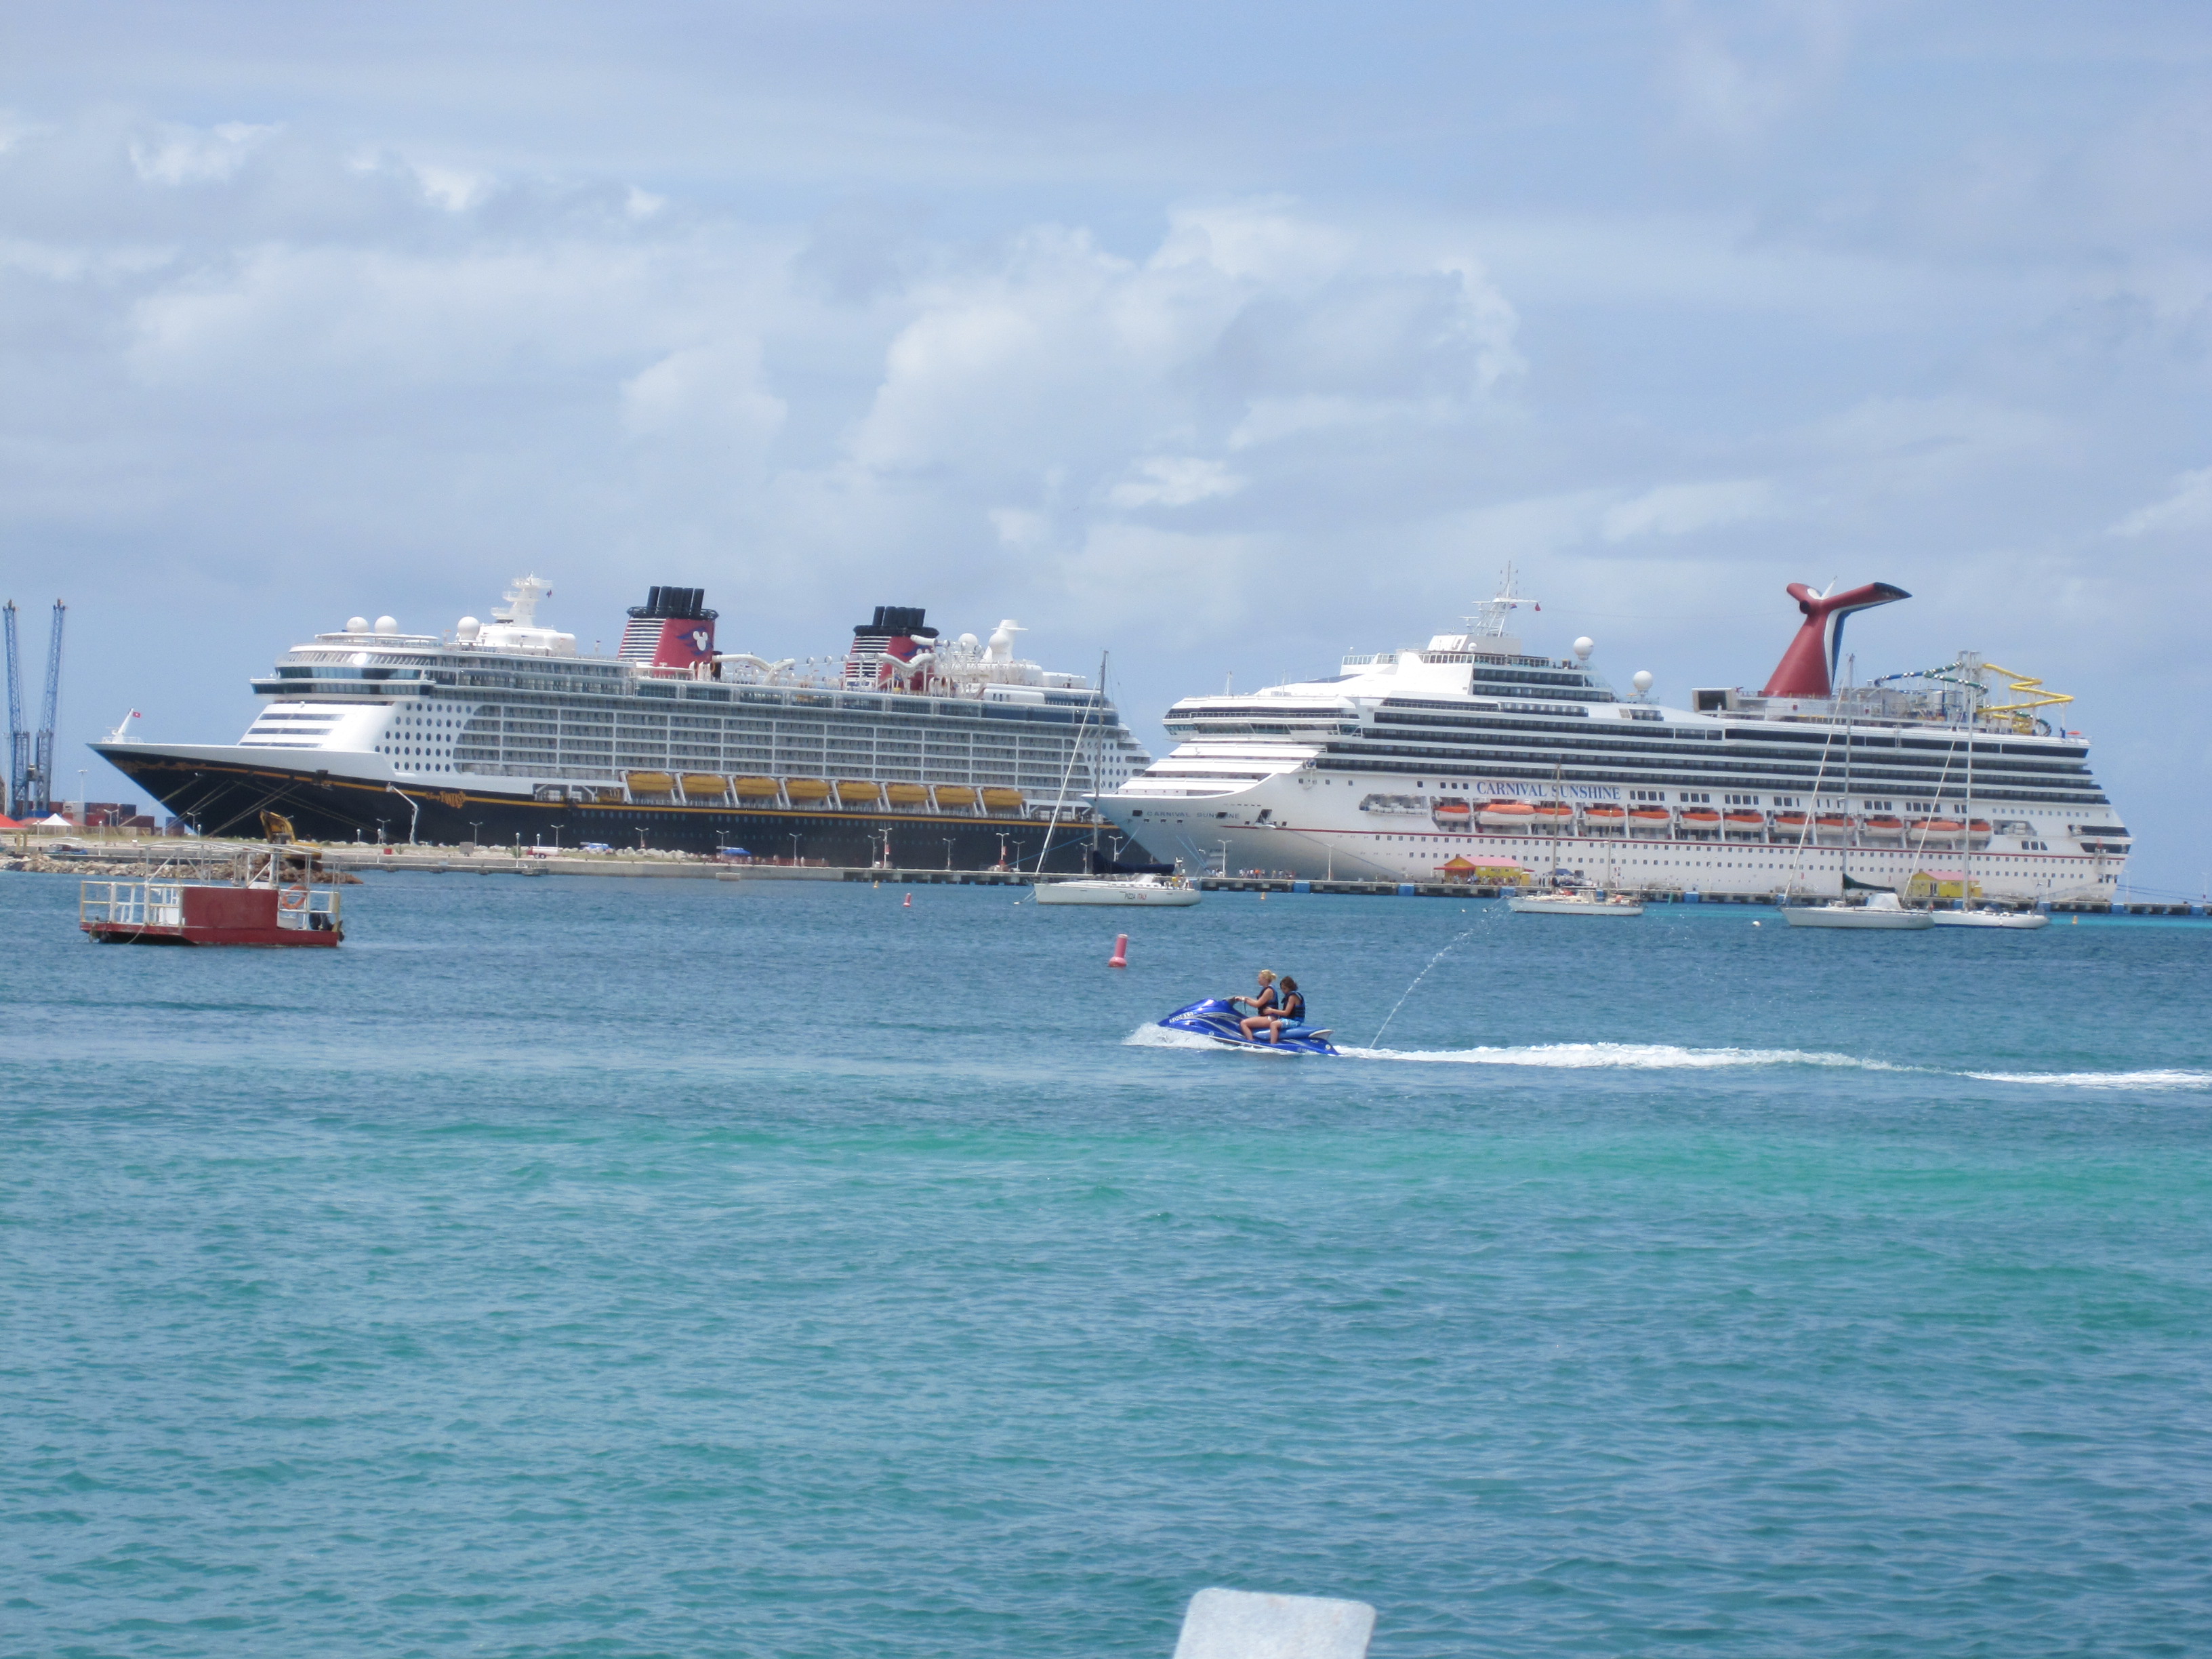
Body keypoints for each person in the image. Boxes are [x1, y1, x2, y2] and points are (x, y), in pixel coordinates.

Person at [1231, 970, 1279, 1040]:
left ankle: (1251, 1043)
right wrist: (1245, 998)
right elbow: (1258, 1001)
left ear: (1265, 979)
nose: (1258, 980)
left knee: (1244, 1023)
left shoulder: (1269, 991)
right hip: (1266, 1017)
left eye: (1259, 978)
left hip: (1270, 1018)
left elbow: (1257, 1004)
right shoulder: (1267, 989)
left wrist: (1245, 1000)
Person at [1263, 978, 1306, 1043]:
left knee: (1274, 1024)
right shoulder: (1292, 995)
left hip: (1295, 1021)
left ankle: (1273, 1044)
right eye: (1282, 989)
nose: (1283, 991)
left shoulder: (1293, 997)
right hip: (1291, 1019)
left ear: (1290, 987)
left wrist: (1272, 1010)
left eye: (1285, 989)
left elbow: (1286, 1013)